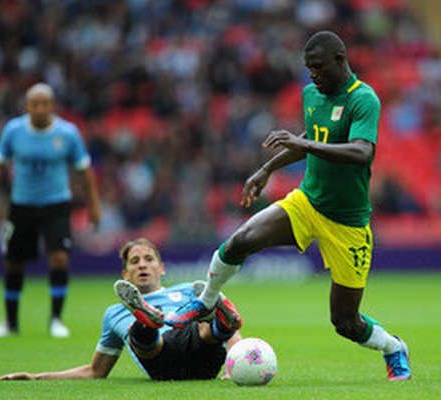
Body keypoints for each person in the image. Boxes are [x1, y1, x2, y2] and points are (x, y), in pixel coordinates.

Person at [166, 31, 411, 381]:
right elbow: (311, 141)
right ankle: (205, 301)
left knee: (345, 322)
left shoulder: (363, 99)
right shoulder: (312, 94)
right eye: (308, 68)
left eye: (319, 67)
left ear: (340, 61)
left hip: (348, 223)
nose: (313, 75)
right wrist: (267, 168)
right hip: (307, 202)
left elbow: (362, 152)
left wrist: (303, 144)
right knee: (239, 241)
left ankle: (393, 347)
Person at [0, 238, 242, 382]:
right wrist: (38, 377)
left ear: (162, 268)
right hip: (161, 358)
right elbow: (96, 371)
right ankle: (148, 321)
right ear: (125, 274)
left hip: (202, 355)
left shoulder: (189, 288)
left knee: (207, 326)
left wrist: (233, 367)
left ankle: (214, 318)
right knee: (145, 335)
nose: (143, 265)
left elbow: (235, 337)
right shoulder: (114, 313)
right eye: (135, 262)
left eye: (149, 259)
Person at [0, 83, 101, 339]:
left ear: (52, 106)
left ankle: (56, 319)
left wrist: (94, 204)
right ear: (27, 106)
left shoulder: (68, 134)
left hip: (56, 205)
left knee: (59, 258)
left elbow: (85, 171)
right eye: (34, 104)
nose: (39, 108)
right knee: (14, 263)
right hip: (21, 205)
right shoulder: (14, 131)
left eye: (44, 103)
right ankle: (11, 322)